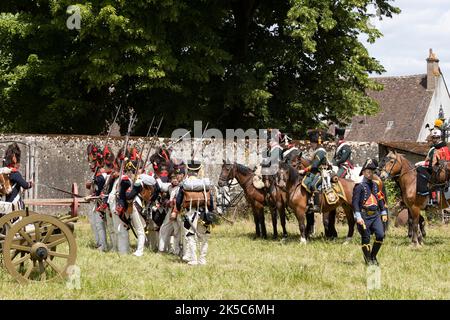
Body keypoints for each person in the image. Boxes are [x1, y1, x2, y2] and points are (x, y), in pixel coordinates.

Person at [173, 160, 215, 266]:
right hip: (203, 212)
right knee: (204, 236)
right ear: (198, 170)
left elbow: (178, 201)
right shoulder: (204, 184)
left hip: (190, 213)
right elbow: (210, 202)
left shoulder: (185, 184)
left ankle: (194, 259)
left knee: (190, 236)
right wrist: (210, 211)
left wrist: (178, 209)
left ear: (188, 170)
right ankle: (202, 259)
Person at [352, 159, 388, 265]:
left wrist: (384, 212)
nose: (370, 173)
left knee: (380, 235)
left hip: (375, 215)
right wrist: (358, 217)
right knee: (366, 237)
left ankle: (373, 256)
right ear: (363, 172)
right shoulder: (359, 187)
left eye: (372, 171)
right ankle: (368, 260)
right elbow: (354, 203)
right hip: (364, 215)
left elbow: (380, 198)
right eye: (368, 171)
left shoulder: (375, 185)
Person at [299, 129, 330, 212]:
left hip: (322, 172)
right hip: (316, 172)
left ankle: (317, 206)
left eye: (312, 143)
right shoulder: (316, 151)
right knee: (306, 182)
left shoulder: (320, 151)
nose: (311, 145)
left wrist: (304, 170)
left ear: (316, 143)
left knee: (314, 185)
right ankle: (309, 202)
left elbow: (315, 165)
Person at [3, 143, 33, 210]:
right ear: (14, 158)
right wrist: (31, 184)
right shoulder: (15, 173)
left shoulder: (4, 172)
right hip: (14, 204)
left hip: (6, 203)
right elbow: (25, 185)